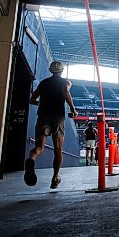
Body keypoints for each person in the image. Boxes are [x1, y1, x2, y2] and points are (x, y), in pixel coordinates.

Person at [24, 61, 77, 189]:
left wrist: (40, 104)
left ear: (50, 70)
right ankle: (55, 177)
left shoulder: (43, 83)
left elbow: (32, 100)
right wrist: (72, 109)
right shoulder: (66, 82)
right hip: (57, 118)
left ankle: (31, 159)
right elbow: (65, 91)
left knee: (39, 148)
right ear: (62, 71)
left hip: (43, 116)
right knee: (58, 149)